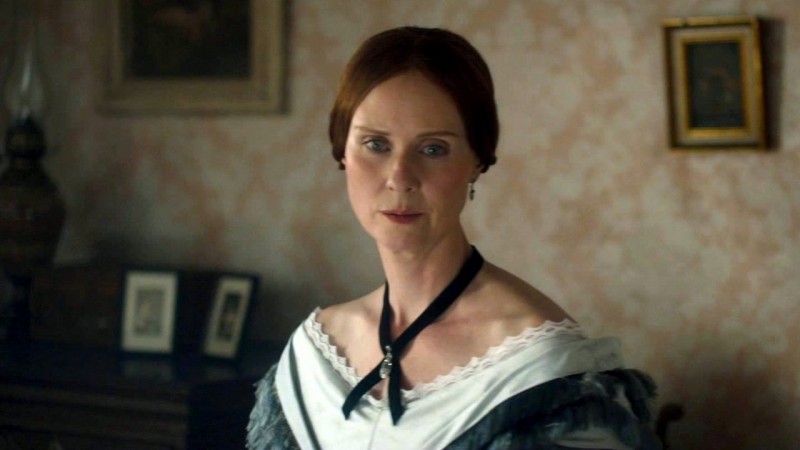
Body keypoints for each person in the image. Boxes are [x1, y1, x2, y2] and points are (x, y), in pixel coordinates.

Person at [247, 26, 660, 450]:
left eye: (433, 149)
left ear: (477, 160)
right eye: (376, 144)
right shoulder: (314, 355)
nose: (400, 178)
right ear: (342, 152)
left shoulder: (545, 375)